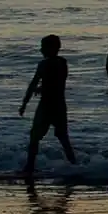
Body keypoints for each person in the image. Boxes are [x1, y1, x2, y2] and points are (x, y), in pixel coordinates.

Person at [20, 35, 78, 175]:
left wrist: (25, 103)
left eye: (43, 47)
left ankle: (29, 167)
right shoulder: (63, 63)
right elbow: (57, 82)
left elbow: (34, 82)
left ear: (52, 48)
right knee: (63, 138)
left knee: (34, 137)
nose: (41, 50)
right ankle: (75, 165)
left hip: (46, 105)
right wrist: (42, 87)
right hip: (59, 104)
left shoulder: (44, 64)